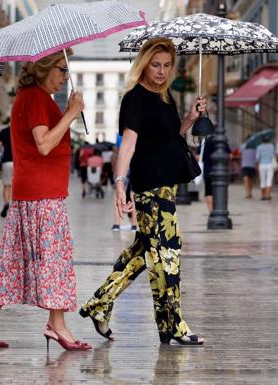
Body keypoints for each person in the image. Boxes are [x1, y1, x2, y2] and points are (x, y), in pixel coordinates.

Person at [79, 38, 206, 346]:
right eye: (155, 65)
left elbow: (167, 137)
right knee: (167, 254)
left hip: (167, 183)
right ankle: (172, 323)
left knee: (143, 252)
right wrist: (120, 184)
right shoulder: (136, 98)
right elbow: (129, 144)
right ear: (143, 64)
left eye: (166, 65)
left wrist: (190, 118)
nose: (161, 72)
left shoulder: (165, 97)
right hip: (150, 186)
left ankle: (100, 303)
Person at [0, 49, 91, 351]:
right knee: (55, 260)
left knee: (15, 259)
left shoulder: (31, 96)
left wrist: (67, 115)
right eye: (61, 70)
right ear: (44, 67)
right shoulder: (36, 97)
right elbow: (45, 144)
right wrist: (71, 114)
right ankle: (57, 325)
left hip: (32, 191)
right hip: (41, 193)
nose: (65, 77)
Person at [0, 126, 13, 217]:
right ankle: (14, 206)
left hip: (6, 161)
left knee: (7, 185)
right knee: (15, 186)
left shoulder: (3, 132)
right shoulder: (19, 130)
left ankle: (6, 203)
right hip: (17, 161)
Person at [255, 135, 275, 200]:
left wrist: (256, 165)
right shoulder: (271, 146)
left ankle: (263, 196)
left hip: (262, 165)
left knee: (262, 180)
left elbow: (257, 158)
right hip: (270, 165)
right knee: (269, 180)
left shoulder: (259, 147)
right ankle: (268, 195)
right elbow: (273, 155)